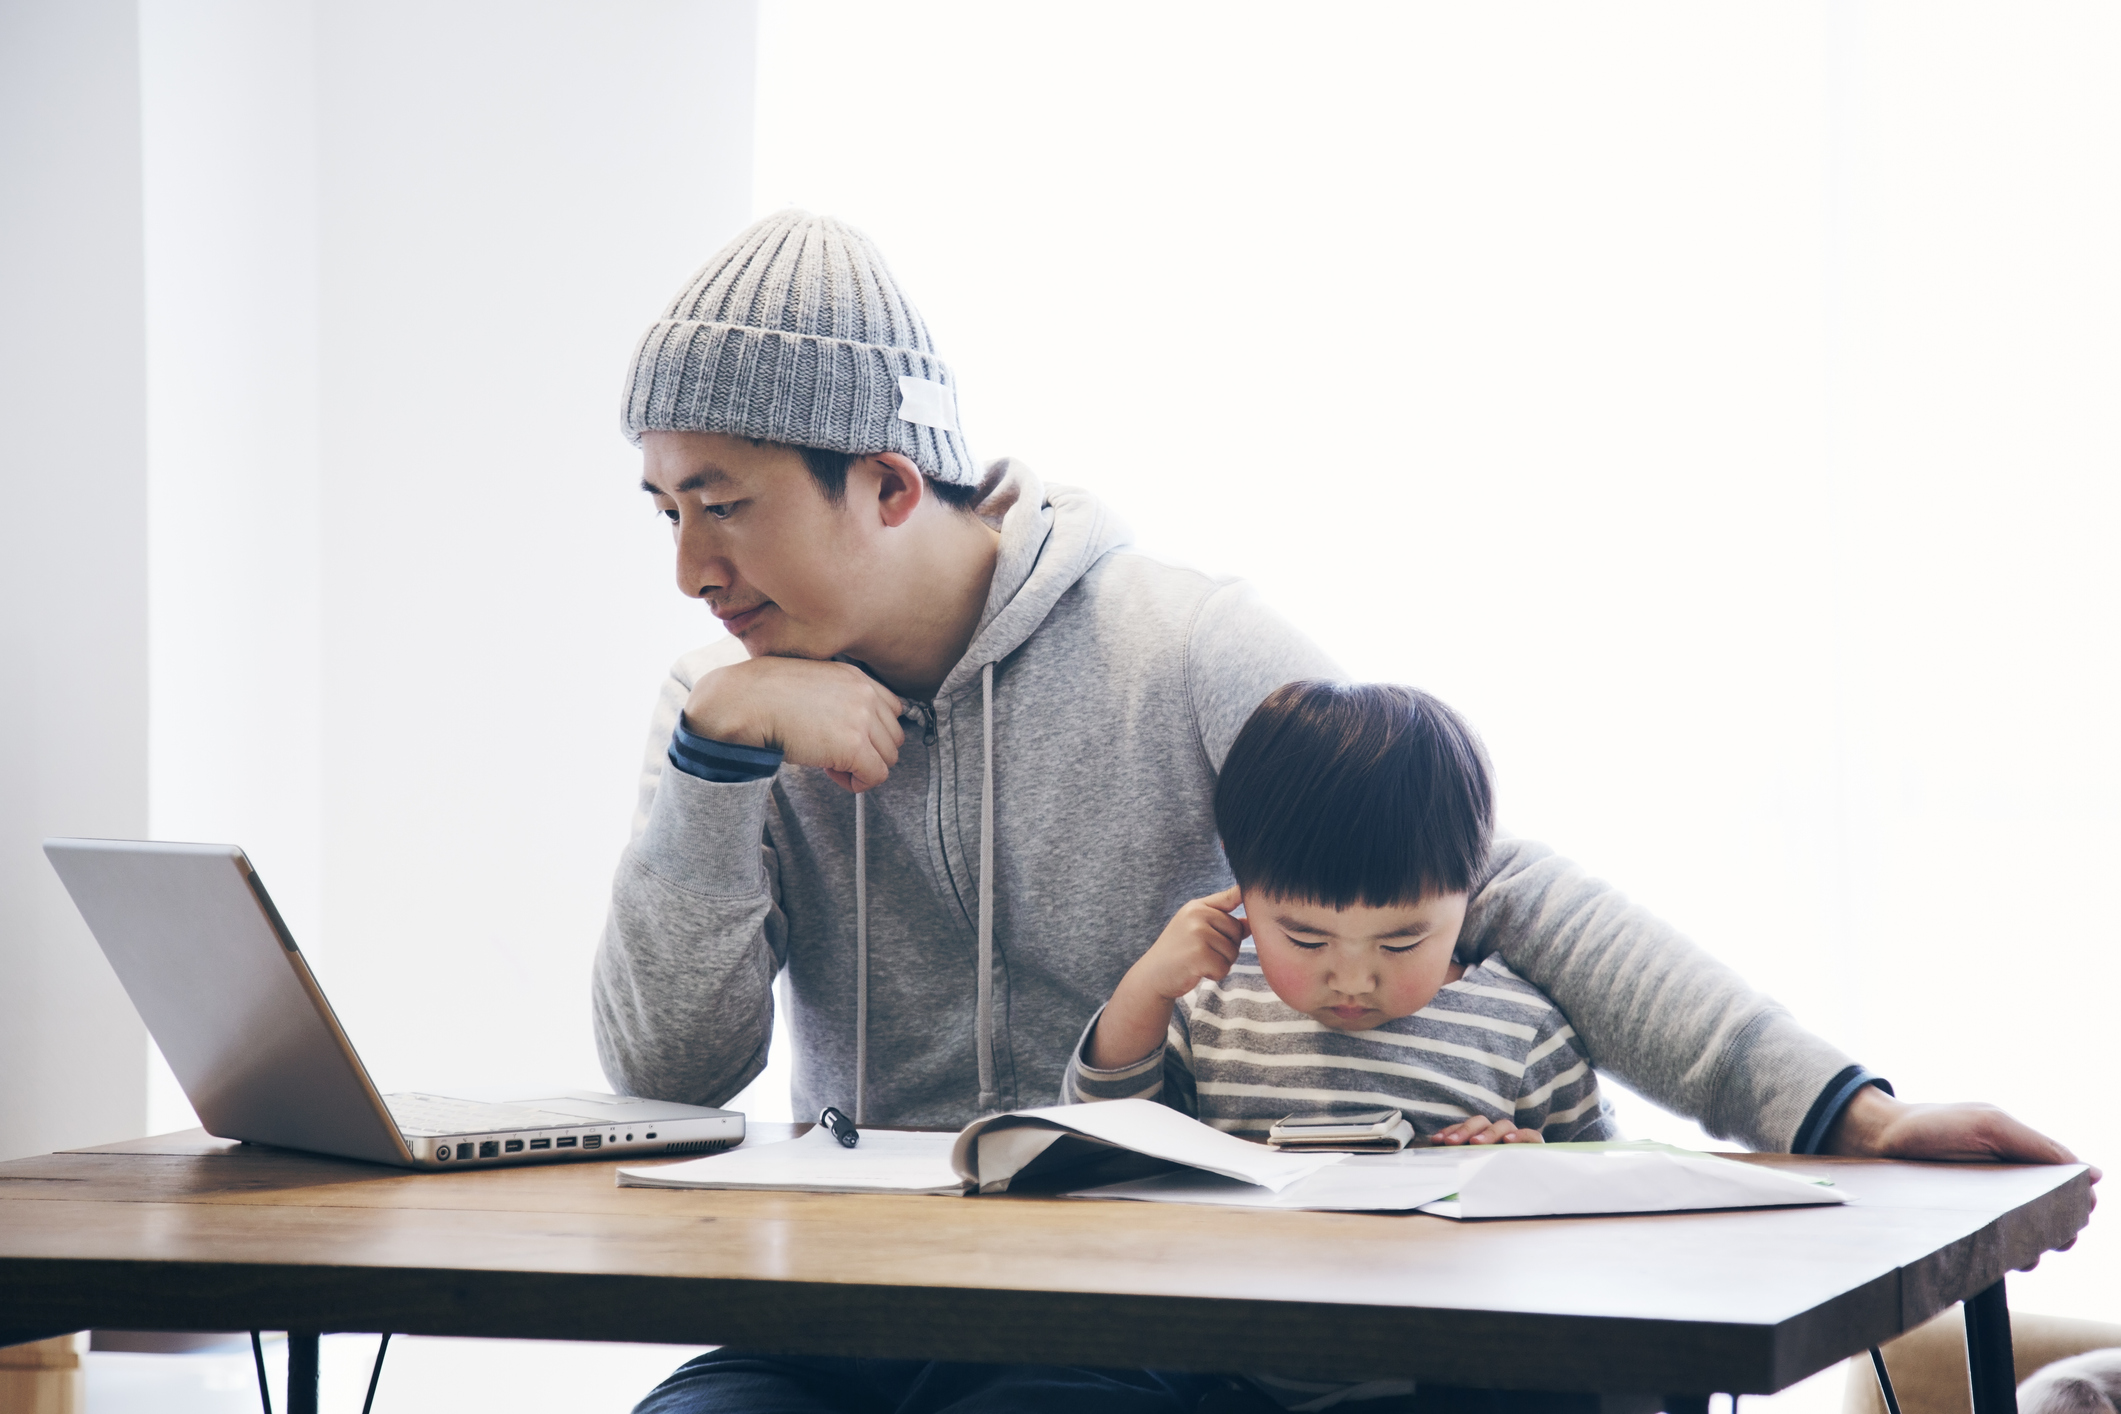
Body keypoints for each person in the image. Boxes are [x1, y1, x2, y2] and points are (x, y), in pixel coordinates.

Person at [599, 210, 2087, 1414]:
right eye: (665, 509)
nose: (690, 571)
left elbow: (1485, 882)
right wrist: (710, 765)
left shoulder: (1174, 648)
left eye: (723, 504)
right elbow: (672, 1073)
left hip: (1121, 1314)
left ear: (883, 480)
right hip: (845, 1304)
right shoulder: (745, 703)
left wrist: (1844, 1106)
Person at [1065, 678, 1612, 1150]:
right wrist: (1144, 991)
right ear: (1244, 887)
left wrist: (1539, 1171)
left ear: (1469, 889)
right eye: (1306, 940)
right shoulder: (1209, 1009)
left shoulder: (1524, 1035)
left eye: (1400, 943)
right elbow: (1091, 1148)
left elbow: (1616, 1203)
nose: (1352, 980)